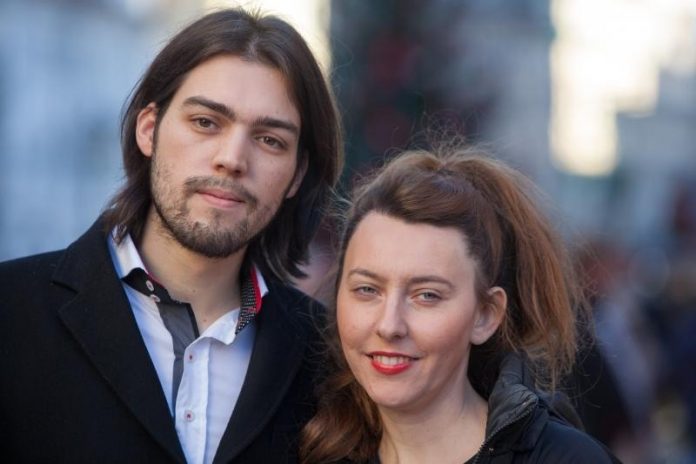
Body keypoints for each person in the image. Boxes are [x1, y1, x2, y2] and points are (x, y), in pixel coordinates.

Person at [0, 8, 342, 464]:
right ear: (149, 130)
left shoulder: (328, 359)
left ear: (297, 174)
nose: (232, 158)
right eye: (206, 122)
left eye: (269, 140)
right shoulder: (11, 313)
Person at [300, 146, 621, 463]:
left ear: (486, 314)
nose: (389, 325)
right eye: (367, 289)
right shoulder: (313, 452)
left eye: (427, 295)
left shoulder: (566, 459)